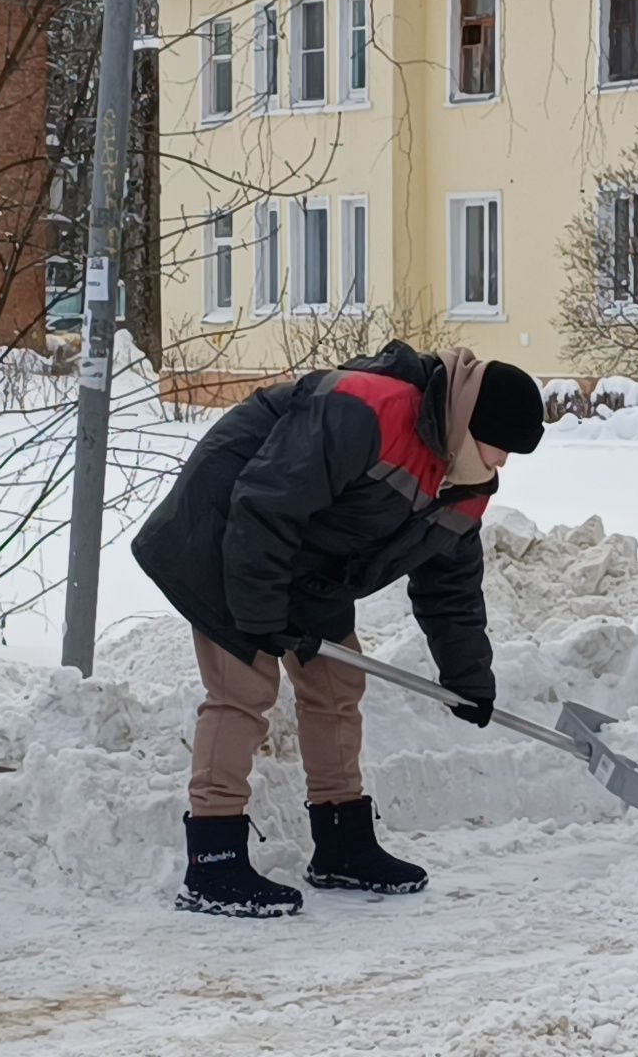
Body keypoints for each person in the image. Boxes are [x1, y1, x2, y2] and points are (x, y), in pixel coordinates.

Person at [133, 340, 545, 917]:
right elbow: (267, 499)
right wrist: (260, 614)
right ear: (472, 421)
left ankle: (341, 844)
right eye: (500, 446)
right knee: (244, 687)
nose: (502, 463)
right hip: (223, 533)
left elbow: (450, 590)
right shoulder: (368, 409)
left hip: (307, 562)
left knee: (334, 683)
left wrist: (468, 677)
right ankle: (214, 859)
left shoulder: (465, 482)